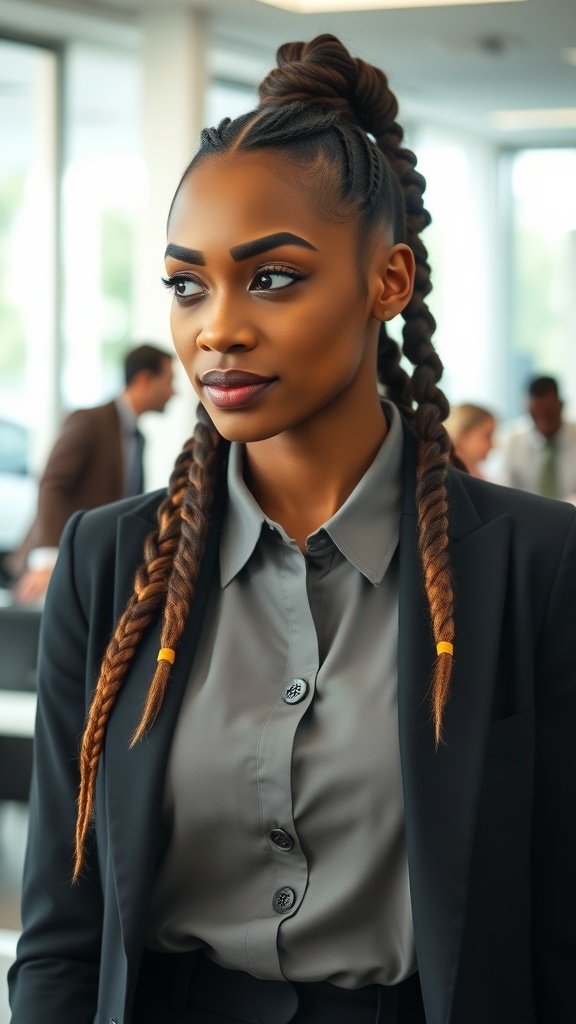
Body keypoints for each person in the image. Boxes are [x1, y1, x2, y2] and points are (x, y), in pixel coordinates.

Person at [8, 34, 576, 1024]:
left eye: (271, 277)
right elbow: (64, 930)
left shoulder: (536, 565)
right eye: (189, 284)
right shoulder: (111, 562)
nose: (217, 327)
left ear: (387, 284)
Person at [7, 342, 175, 603]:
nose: (173, 392)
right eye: (169, 381)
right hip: (58, 563)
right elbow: (52, 484)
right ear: (144, 380)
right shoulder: (90, 421)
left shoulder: (137, 438)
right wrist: (49, 557)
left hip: (95, 566)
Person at [499, 375, 576, 499]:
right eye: (536, 415)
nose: (543, 424)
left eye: (549, 415)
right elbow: (503, 488)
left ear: (561, 406)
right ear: (527, 409)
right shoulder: (512, 439)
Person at [444, 402, 496, 478]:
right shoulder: (444, 478)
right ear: (462, 436)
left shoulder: (477, 474)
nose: (493, 445)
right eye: (487, 436)